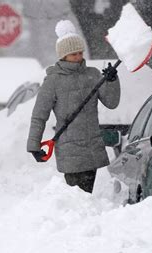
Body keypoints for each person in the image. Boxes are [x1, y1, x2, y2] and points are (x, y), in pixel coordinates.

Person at [27, 20, 121, 193]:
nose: (78, 57)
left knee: (86, 195)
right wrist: (34, 145)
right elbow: (39, 115)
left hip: (92, 147)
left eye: (80, 53)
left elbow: (112, 103)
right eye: (73, 54)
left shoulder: (92, 75)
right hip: (70, 150)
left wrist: (112, 81)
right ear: (63, 56)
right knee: (78, 197)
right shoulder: (53, 81)